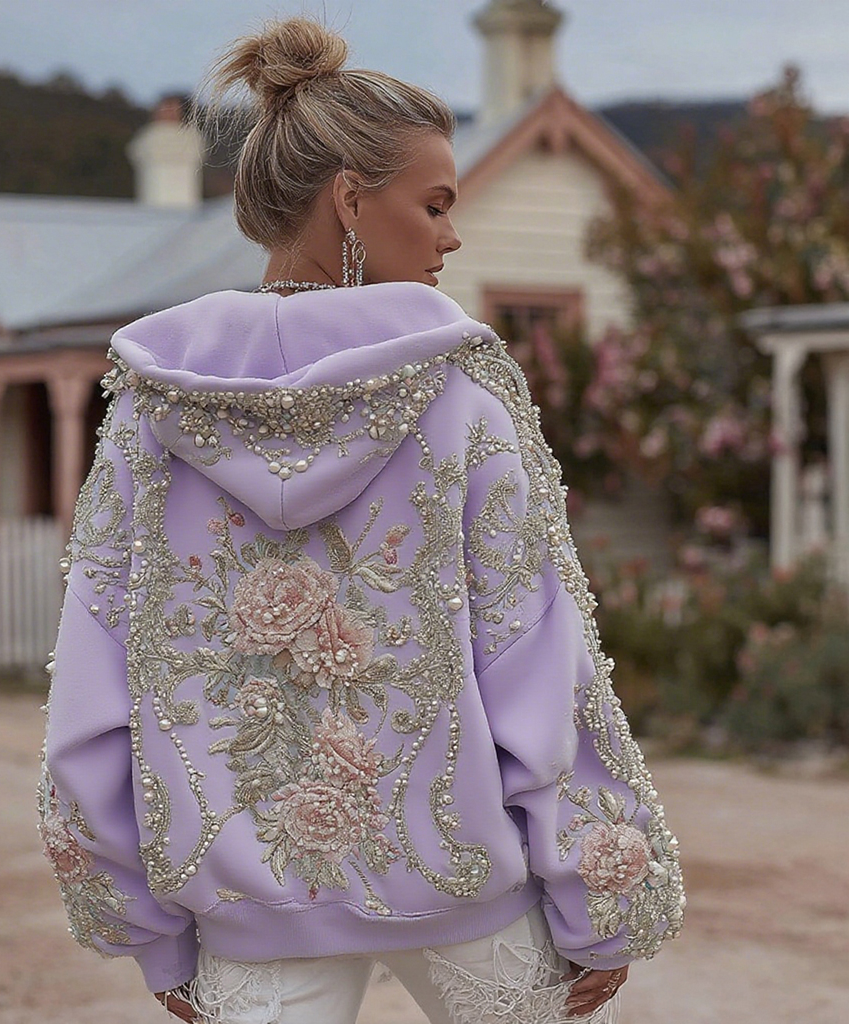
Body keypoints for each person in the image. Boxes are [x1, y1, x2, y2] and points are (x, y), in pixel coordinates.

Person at [36, 15, 685, 1024]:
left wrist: (147, 927)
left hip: (249, 922)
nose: (451, 235)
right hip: (471, 904)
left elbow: (91, 689)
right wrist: (595, 896)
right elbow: (536, 663)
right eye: (434, 204)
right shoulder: (461, 405)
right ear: (348, 198)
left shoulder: (149, 420)